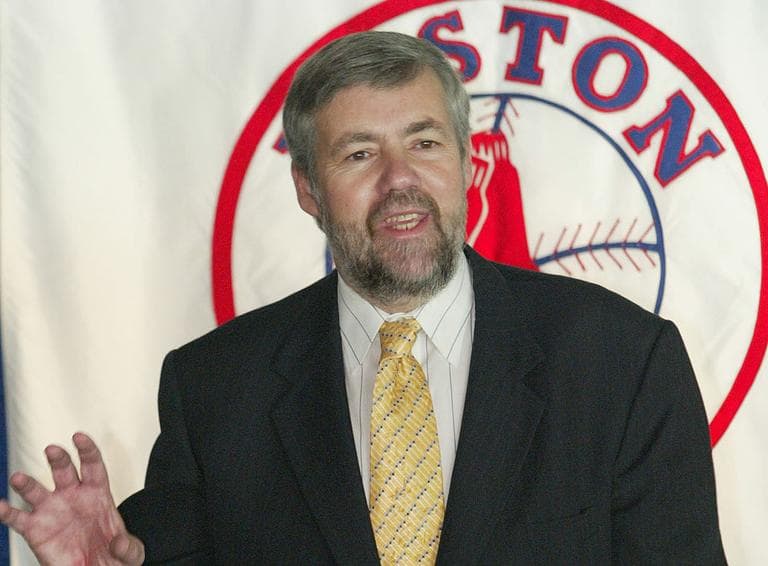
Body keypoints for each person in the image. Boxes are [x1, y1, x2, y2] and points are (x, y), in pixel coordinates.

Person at [0, 31, 726, 565]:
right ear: (309, 191)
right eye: (358, 154)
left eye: (424, 144)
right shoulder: (217, 388)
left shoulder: (622, 362)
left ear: (467, 162)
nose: (398, 179)